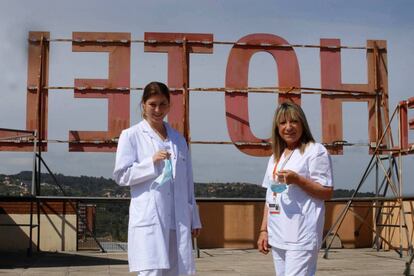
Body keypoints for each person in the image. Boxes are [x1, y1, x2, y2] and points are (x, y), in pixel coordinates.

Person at [113, 81, 201, 276]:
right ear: (143, 104)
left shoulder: (178, 139)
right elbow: (121, 175)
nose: (158, 109)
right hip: (151, 218)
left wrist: (194, 217)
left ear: (169, 105)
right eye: (152, 104)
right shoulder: (131, 136)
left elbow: (187, 181)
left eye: (162, 104)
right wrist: (150, 163)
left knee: (178, 271)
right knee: (151, 272)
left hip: (177, 218)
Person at [257, 102, 333, 276]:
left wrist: (298, 180)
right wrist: (264, 230)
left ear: (302, 124)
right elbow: (271, 196)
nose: (288, 127)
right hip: (278, 235)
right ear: (277, 128)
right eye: (283, 123)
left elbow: (327, 192)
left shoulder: (315, 151)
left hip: (301, 235)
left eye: (294, 122)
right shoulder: (275, 157)